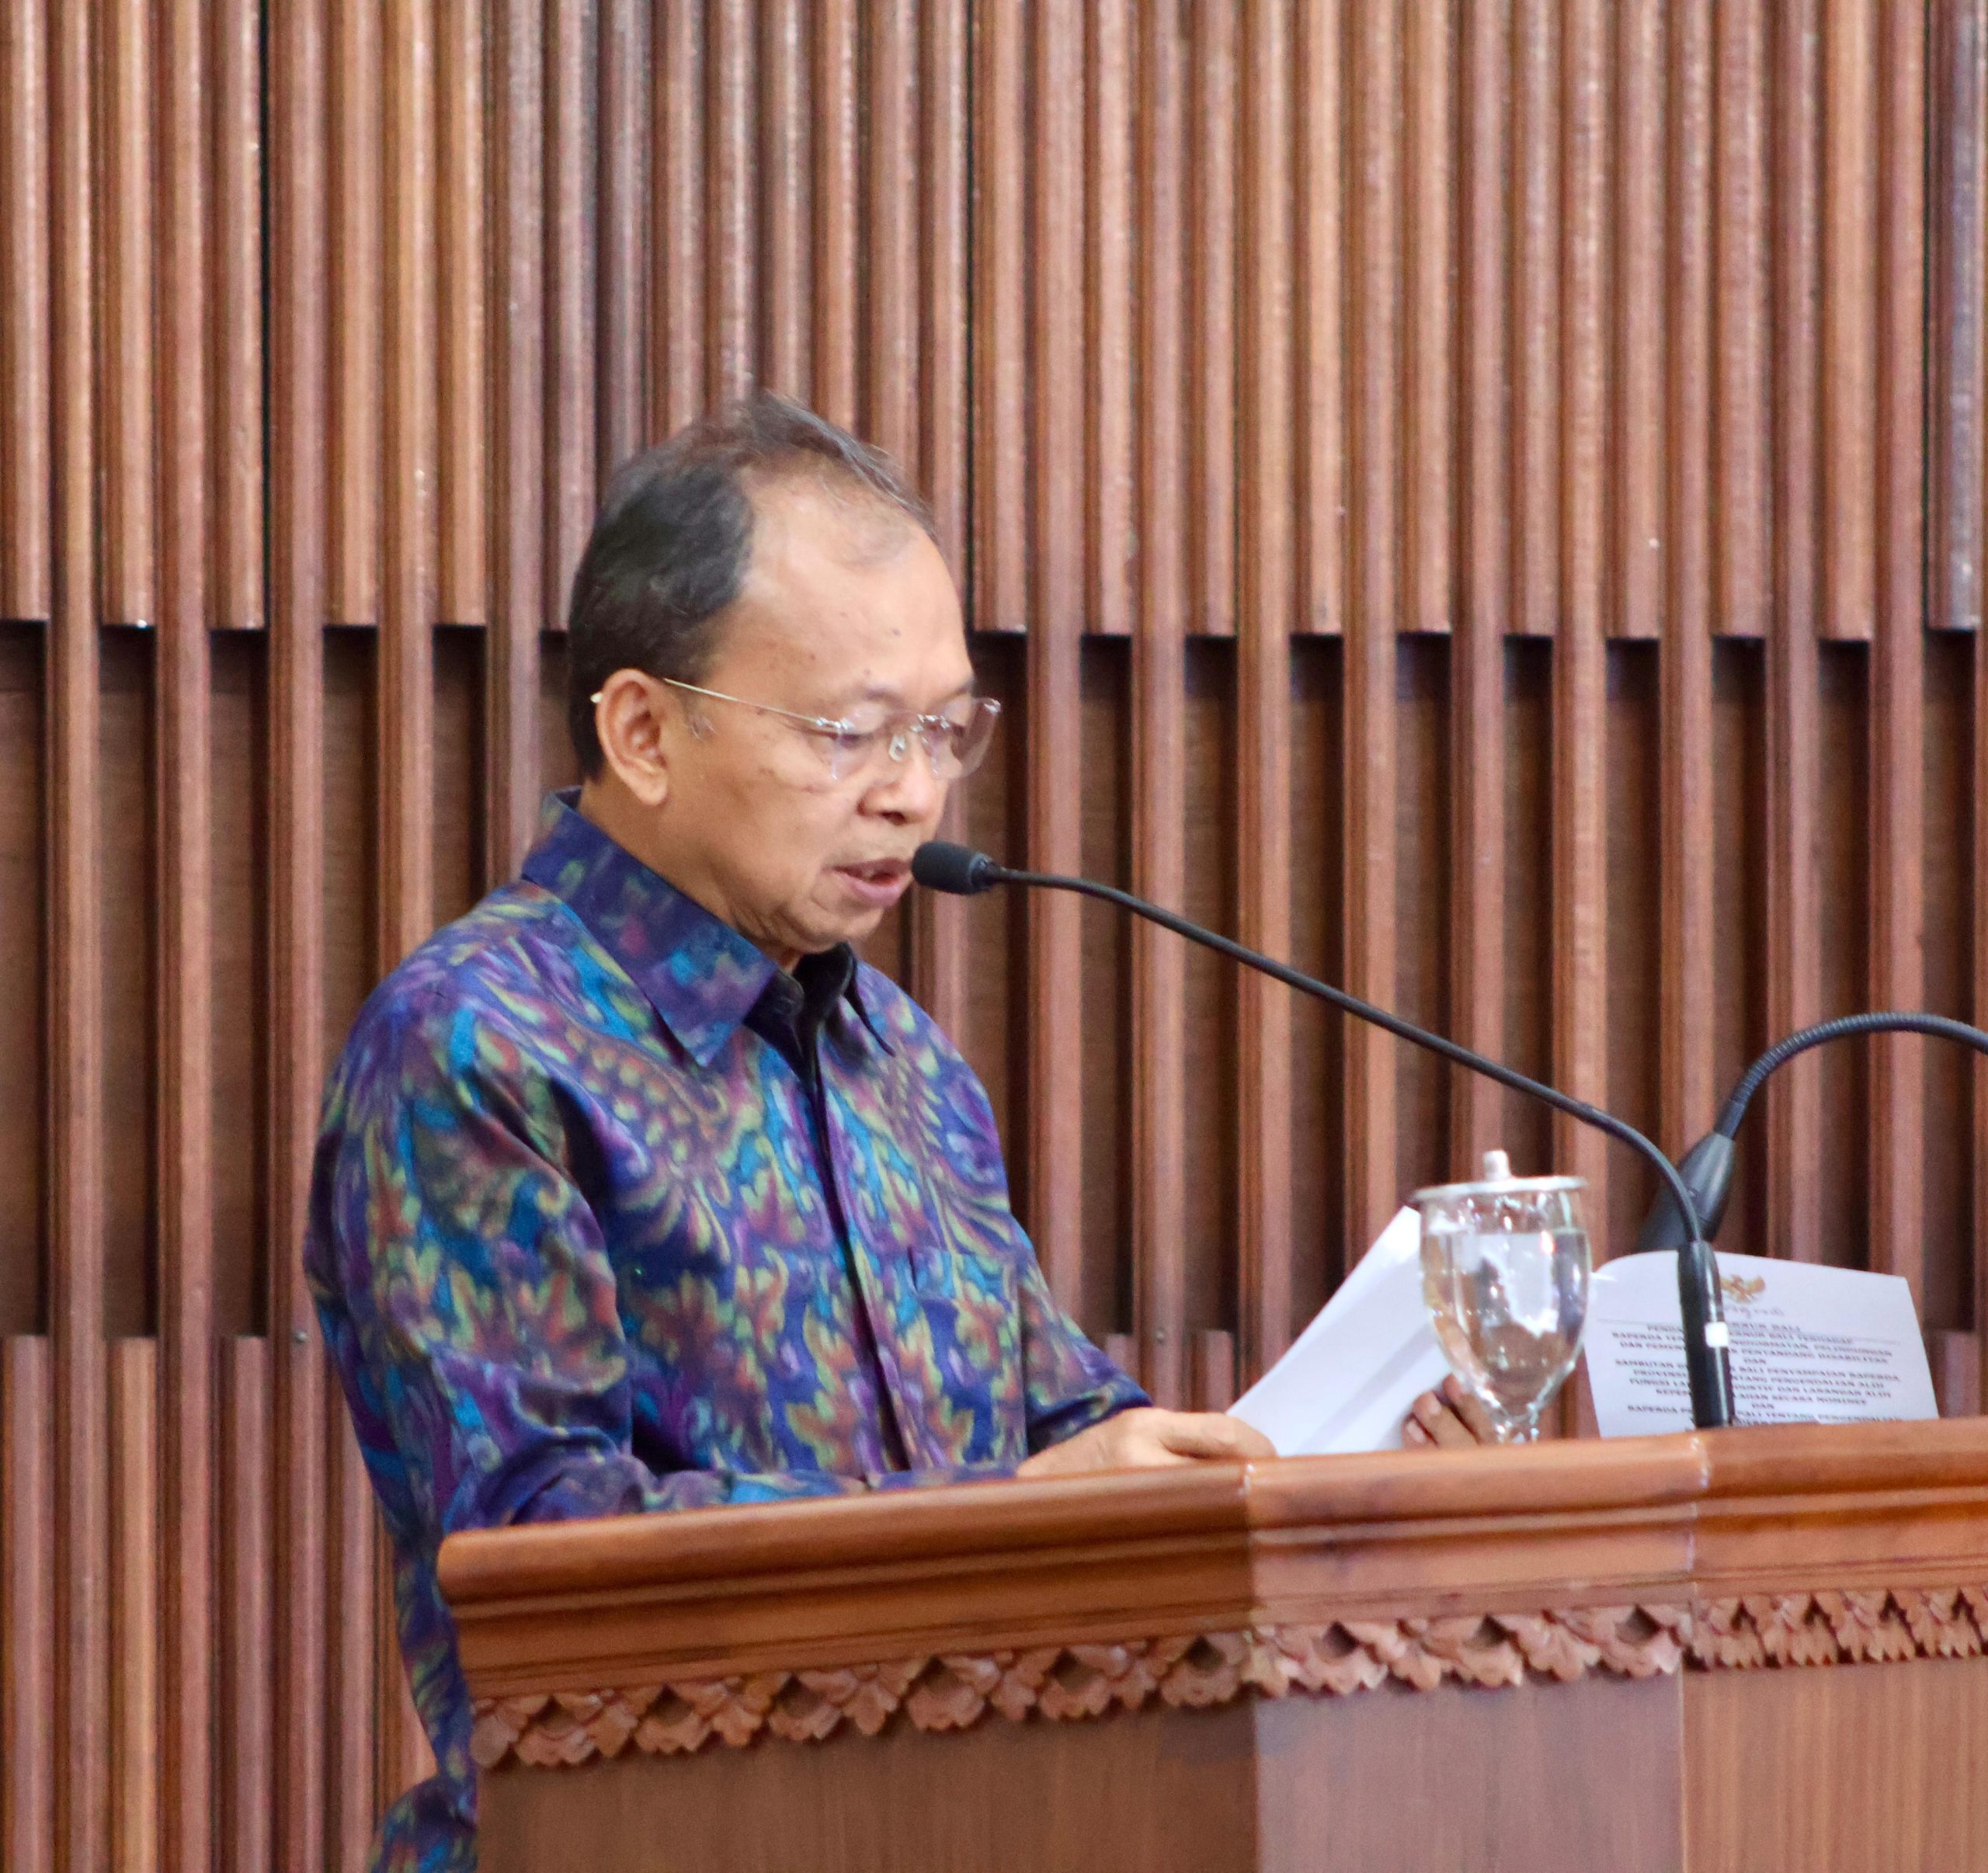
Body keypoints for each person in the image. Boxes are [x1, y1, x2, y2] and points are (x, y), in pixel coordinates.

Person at [305, 392, 1276, 1873]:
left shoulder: (903, 1060)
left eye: (944, 729)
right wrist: (1002, 1514)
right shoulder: (478, 1044)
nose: (914, 793)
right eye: (850, 733)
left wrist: (1329, 1465)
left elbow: (1065, 1437)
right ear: (644, 731)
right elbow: (538, 1552)